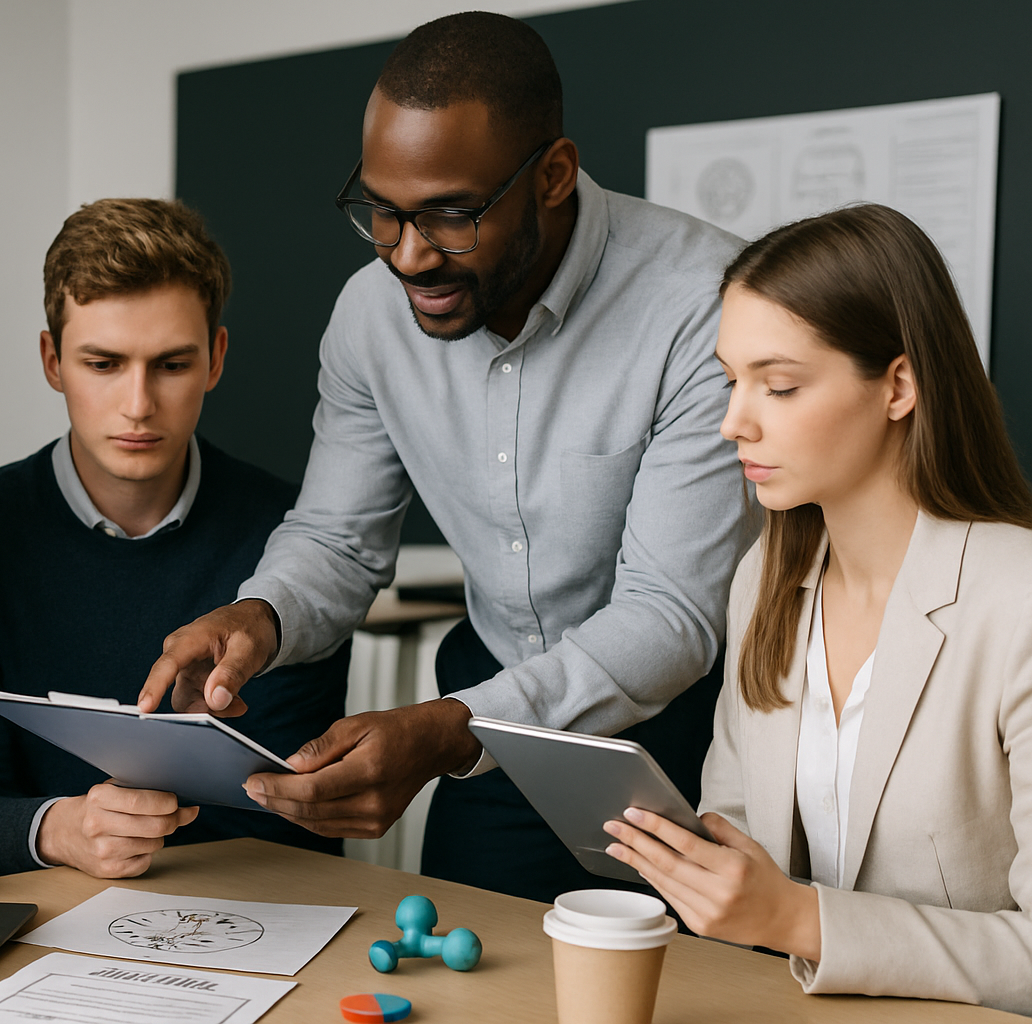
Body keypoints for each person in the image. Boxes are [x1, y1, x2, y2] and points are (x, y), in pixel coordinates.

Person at [137, 12, 751, 900]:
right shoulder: (368, 315)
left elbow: (669, 615)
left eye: (451, 215)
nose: (410, 256)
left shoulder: (706, 305)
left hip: (688, 728)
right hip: (488, 733)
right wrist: (257, 619)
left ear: (553, 175)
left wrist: (452, 729)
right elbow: (338, 540)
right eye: (381, 212)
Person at [602, 204, 1032, 1015]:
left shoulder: (1018, 599)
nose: (735, 421)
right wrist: (703, 869)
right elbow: (739, 827)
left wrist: (797, 918)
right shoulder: (766, 575)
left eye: (781, 384)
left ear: (898, 385)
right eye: (732, 380)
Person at [0, 198, 349, 881]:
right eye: (104, 364)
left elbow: (293, 814)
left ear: (216, 359)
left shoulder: (299, 541)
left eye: (171, 365)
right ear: (53, 361)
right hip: (39, 923)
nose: (139, 404)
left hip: (261, 917)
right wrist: (56, 829)